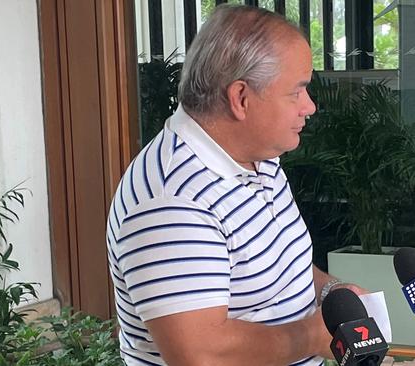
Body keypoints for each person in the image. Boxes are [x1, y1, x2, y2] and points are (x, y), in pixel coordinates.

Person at [106, 5, 365, 365]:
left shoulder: (261, 159)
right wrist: (312, 336)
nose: (310, 106)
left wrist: (332, 292)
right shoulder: (172, 201)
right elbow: (201, 353)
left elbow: (282, 267)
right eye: (297, 91)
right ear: (241, 98)